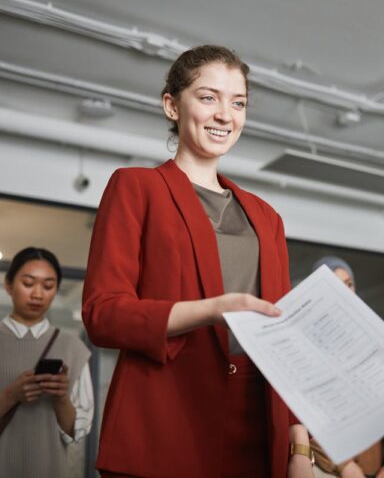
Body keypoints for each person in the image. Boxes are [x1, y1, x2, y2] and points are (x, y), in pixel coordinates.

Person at [82, 45, 313, 478]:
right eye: (208, 97)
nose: (225, 114)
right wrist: (213, 309)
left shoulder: (267, 217)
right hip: (166, 417)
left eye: (238, 102)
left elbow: (285, 342)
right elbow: (103, 315)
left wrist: (300, 448)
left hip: (259, 423)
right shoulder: (136, 187)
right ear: (172, 104)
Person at [0, 247, 93, 477]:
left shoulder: (74, 349)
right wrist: (10, 396)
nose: (38, 294)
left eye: (48, 286)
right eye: (28, 283)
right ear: (8, 285)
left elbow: (77, 432)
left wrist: (61, 399)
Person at [309, 256, 384, 478]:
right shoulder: (306, 344)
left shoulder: (375, 342)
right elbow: (303, 417)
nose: (343, 291)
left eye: (348, 284)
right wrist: (343, 466)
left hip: (378, 469)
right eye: (333, 284)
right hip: (328, 470)